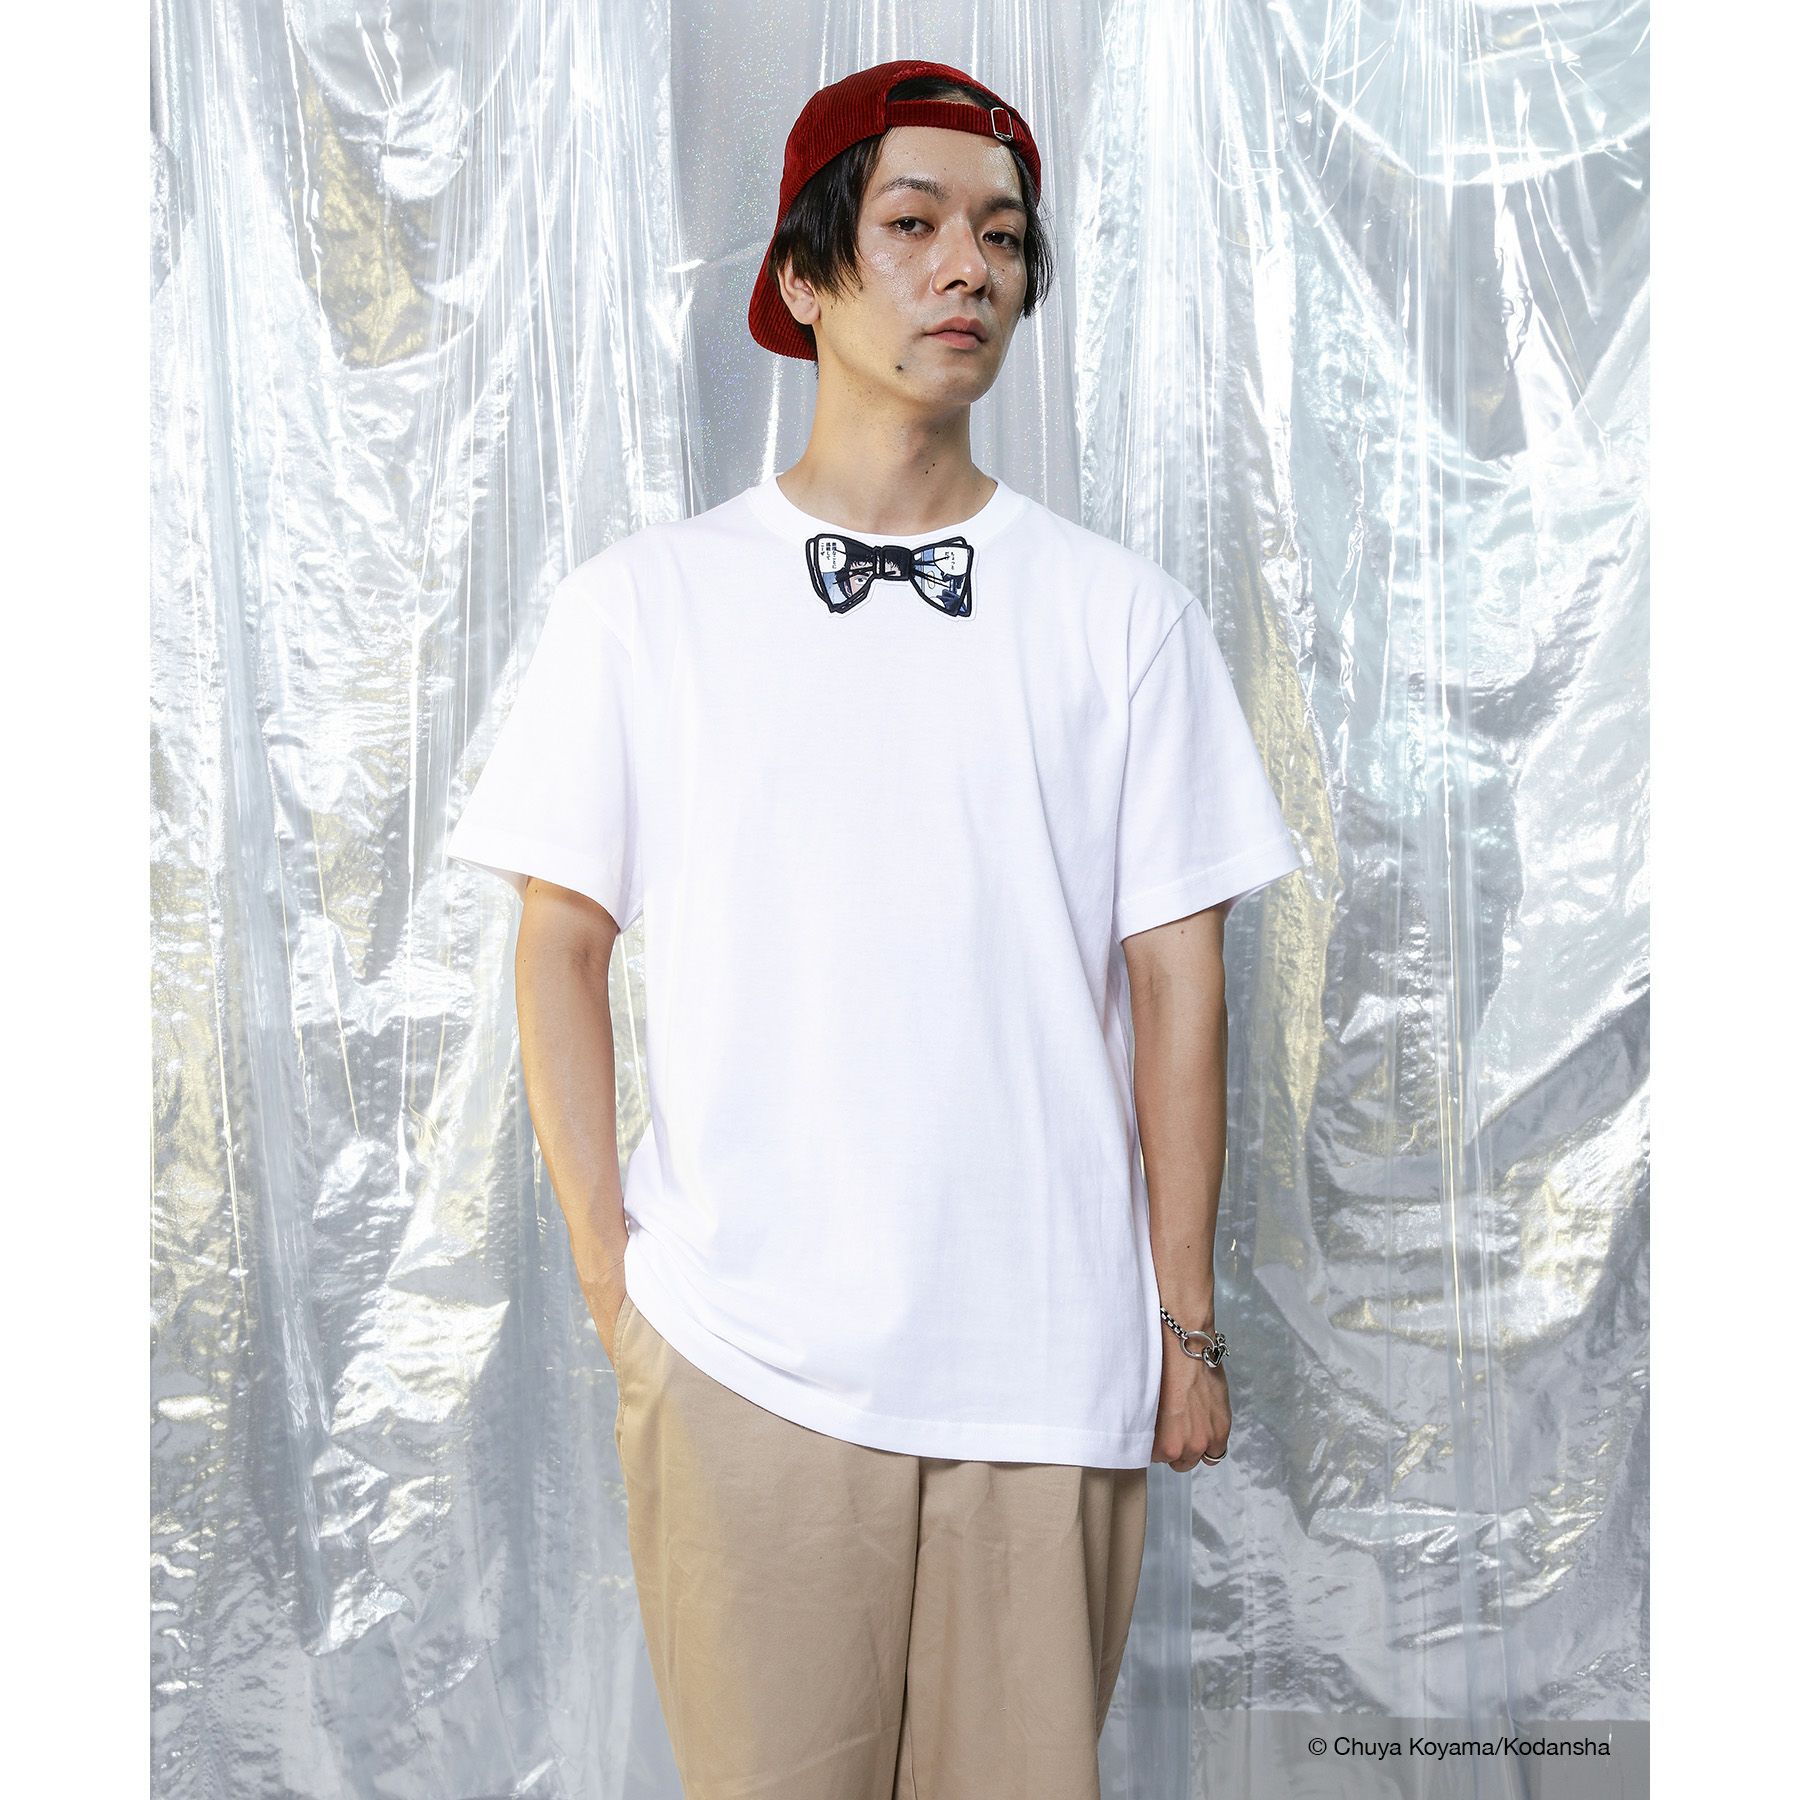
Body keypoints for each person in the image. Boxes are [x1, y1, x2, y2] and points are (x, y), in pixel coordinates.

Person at [447, 57, 1303, 1800]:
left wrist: (1185, 1323)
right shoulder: (645, 608)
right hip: (746, 1358)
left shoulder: (1123, 620)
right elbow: (558, 939)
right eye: (912, 225)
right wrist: (620, 1281)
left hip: (1048, 1362)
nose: (967, 266)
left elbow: (1179, 982)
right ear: (805, 274)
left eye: (1002, 235)